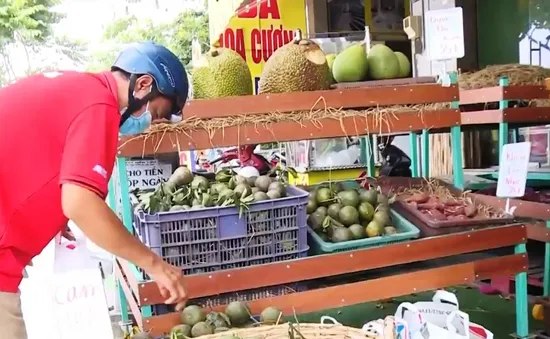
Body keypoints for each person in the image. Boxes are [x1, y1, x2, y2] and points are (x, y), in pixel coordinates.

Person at [0, 42, 190, 338]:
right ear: (142, 84)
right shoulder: (100, 105)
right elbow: (80, 202)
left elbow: (34, 153)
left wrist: (52, 215)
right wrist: (154, 265)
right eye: (155, 112)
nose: (151, 123)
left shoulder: (78, 88)